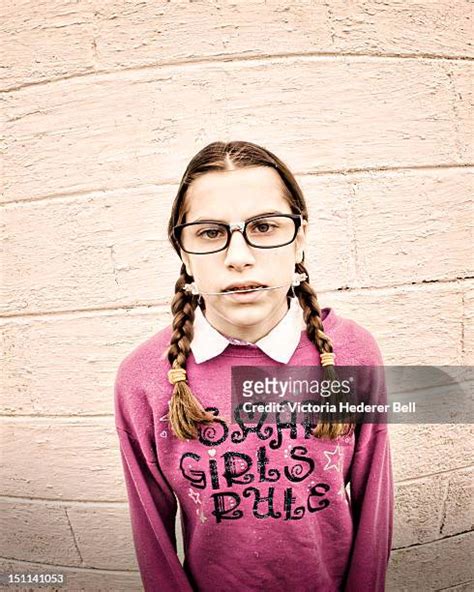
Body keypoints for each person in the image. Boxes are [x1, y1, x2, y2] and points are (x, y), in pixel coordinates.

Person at [114, 141, 394, 592]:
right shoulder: (143, 377)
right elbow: (152, 536)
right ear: (182, 251)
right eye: (209, 232)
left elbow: (374, 503)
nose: (239, 257)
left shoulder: (353, 352)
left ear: (299, 238)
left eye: (264, 227)